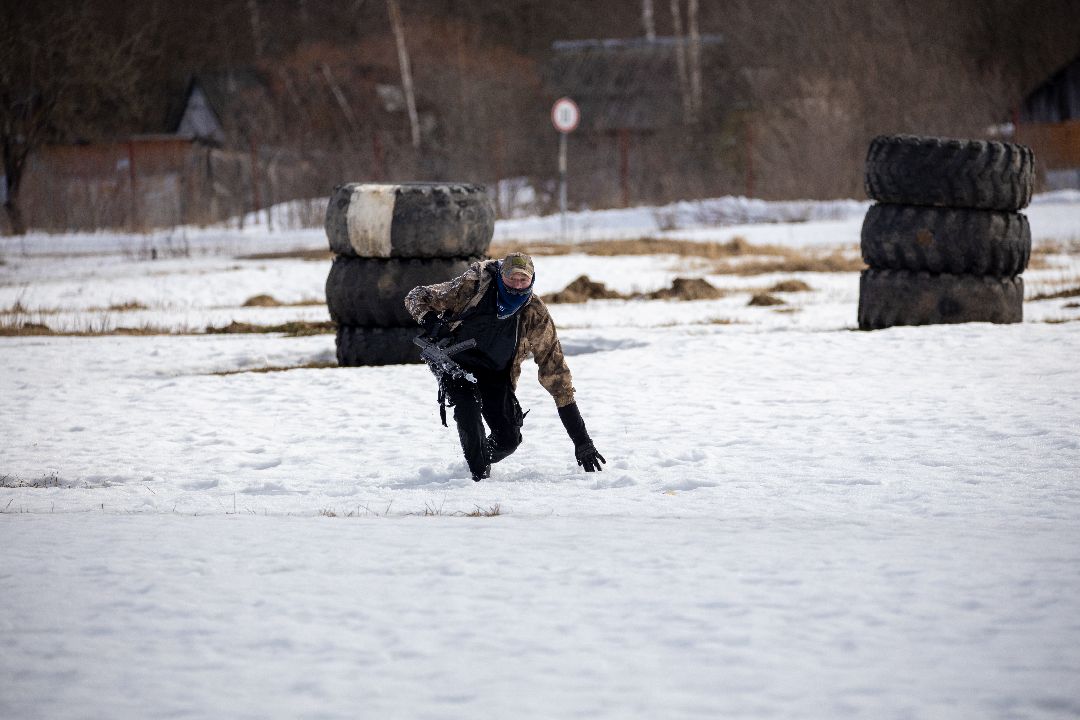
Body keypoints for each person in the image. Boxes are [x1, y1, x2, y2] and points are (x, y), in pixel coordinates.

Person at [405, 252, 605, 481]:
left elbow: (556, 373)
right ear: (501, 275)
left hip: (496, 372)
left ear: (533, 280)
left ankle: (478, 457)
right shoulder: (472, 287)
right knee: (468, 411)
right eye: (512, 278)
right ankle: (477, 478)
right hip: (455, 362)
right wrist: (431, 322)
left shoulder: (535, 313)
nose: (517, 285)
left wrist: (582, 441)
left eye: (524, 279)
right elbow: (415, 296)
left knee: (509, 439)